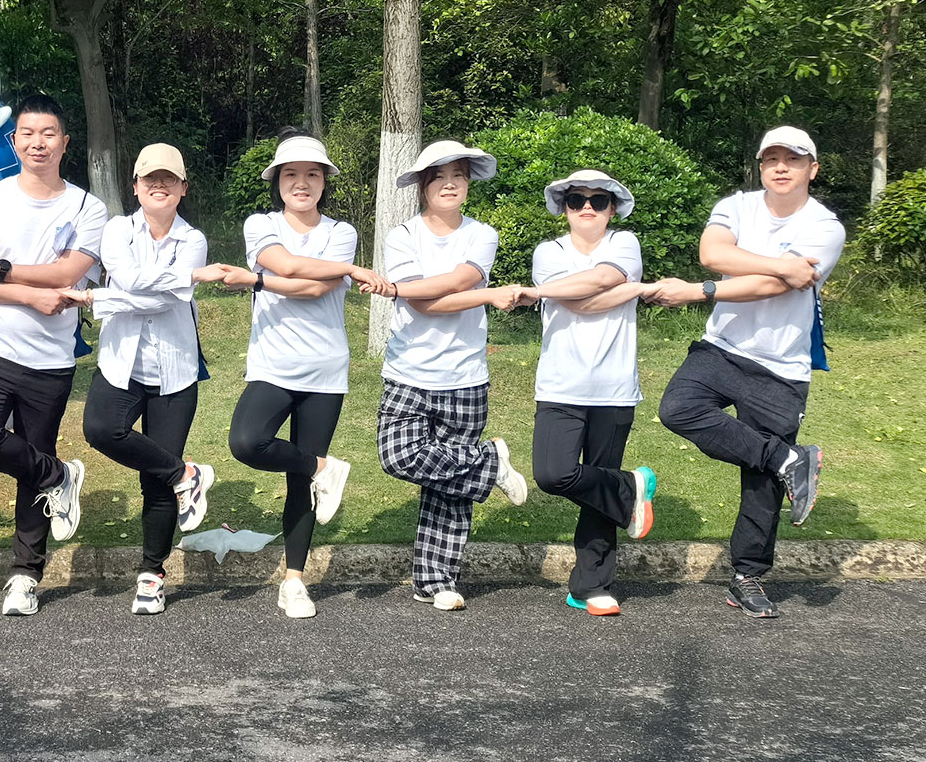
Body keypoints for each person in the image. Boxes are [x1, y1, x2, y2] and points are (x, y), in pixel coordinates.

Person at [651, 125, 844, 620]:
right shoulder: (736, 206)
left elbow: (771, 288)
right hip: (723, 348)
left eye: (792, 159)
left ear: (812, 169)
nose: (780, 167)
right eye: (771, 158)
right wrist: (783, 264)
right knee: (678, 409)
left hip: (781, 366)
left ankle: (747, 577)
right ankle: (788, 458)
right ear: (760, 166)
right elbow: (712, 254)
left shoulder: (826, 227)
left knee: (761, 482)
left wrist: (702, 290)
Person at [0, 93, 108, 616]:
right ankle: (61, 476)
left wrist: (3, 269)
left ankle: (25, 574)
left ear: (65, 142)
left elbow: (68, 273)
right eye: (28, 134)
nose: (38, 143)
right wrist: (31, 295)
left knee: (31, 457)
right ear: (13, 141)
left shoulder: (86, 206)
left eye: (48, 133)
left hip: (50, 358)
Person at [219, 128, 394, 619]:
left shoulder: (342, 232)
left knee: (300, 485)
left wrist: (259, 281)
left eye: (312, 175)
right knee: (247, 442)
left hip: (324, 369)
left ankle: (294, 580)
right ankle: (324, 467)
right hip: (272, 365)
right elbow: (287, 264)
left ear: (323, 182)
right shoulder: (261, 223)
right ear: (277, 181)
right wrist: (346, 272)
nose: (302, 183)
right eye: (291, 174)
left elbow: (316, 287)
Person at [64, 144, 229, 615]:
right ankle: (187, 475)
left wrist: (98, 299)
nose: (159, 185)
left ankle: (151, 574)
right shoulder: (117, 230)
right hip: (122, 362)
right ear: (135, 186)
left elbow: (158, 299)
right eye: (149, 178)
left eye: (169, 179)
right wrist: (186, 278)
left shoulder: (193, 239)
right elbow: (133, 280)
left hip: (175, 368)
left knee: (156, 481)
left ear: (183, 188)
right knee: (100, 429)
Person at [375, 140, 529, 612]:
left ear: (468, 183)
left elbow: (458, 281)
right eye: (438, 176)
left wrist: (407, 291)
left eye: (458, 175)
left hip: (465, 375)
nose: (449, 184)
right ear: (423, 186)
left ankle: (437, 581)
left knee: (447, 490)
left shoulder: (482, 234)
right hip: (407, 370)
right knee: (397, 456)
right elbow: (422, 302)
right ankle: (489, 465)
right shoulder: (402, 235)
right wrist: (489, 295)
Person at [519, 170, 657, 617]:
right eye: (576, 199)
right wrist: (629, 290)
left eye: (598, 201)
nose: (587, 208)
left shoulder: (625, 243)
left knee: (598, 487)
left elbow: (596, 283)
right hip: (560, 384)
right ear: (564, 208)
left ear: (612, 209)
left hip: (614, 388)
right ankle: (629, 487)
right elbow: (583, 296)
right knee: (552, 474)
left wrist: (544, 293)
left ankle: (591, 586)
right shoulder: (549, 251)